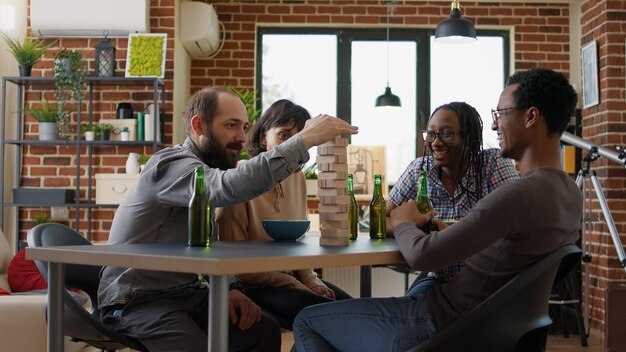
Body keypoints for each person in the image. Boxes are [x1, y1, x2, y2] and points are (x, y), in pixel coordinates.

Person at [292, 67, 580, 351]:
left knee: (306, 320)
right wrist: (453, 231)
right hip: (489, 325)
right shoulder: (570, 194)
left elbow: (422, 255)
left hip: (444, 324)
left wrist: (405, 220)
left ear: (531, 116)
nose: (494, 126)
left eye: (500, 114)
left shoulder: (519, 193)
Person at [97, 87, 358, 352]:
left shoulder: (206, 169)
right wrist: (304, 140)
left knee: (262, 331)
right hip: (137, 300)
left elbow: (209, 243)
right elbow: (226, 187)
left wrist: (229, 288)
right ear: (199, 125)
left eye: (243, 127)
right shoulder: (170, 165)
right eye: (231, 125)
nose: (241, 138)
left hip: (188, 293)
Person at [217, 99, 352, 330]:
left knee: (355, 310)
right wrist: (295, 283)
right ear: (263, 138)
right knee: (335, 319)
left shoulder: (296, 178)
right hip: (253, 284)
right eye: (283, 135)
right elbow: (236, 267)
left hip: (290, 280)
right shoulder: (239, 178)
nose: (294, 145)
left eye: (301, 138)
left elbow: (295, 244)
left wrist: (310, 280)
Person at [386, 101, 519, 285]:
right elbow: (379, 217)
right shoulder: (420, 169)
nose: (436, 142)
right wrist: (418, 226)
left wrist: (451, 236)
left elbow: (516, 226)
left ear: (469, 137)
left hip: (485, 282)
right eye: (431, 134)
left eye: (447, 134)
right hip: (437, 279)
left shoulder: (493, 164)